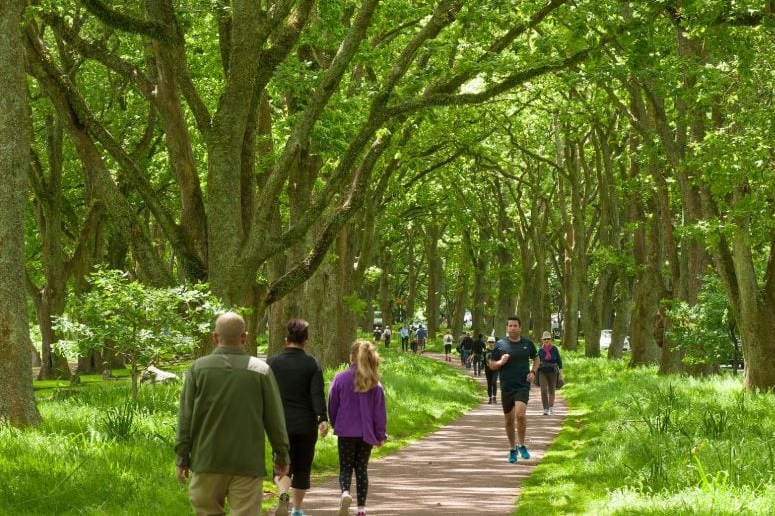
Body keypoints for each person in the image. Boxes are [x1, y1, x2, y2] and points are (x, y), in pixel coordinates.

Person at [175, 312, 290, 516]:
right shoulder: (261, 371)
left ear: (215, 337)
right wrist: (281, 454)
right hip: (247, 462)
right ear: (244, 337)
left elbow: (186, 418)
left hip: (206, 460)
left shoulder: (197, 369)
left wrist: (182, 456)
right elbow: (275, 419)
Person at [266, 319, 329, 516]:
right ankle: (297, 509)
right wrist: (322, 418)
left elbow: (266, 394)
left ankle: (283, 493)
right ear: (306, 341)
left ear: (286, 339)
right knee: (302, 467)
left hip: (280, 425)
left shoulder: (272, 363)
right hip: (305, 424)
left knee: (282, 464)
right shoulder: (312, 363)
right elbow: (316, 393)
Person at [328, 340, 387, 516]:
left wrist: (334, 422)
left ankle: (345, 492)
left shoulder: (340, 378)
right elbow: (379, 412)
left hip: (346, 430)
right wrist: (380, 434)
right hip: (365, 433)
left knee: (345, 468)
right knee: (361, 469)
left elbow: (332, 404)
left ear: (351, 357)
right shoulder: (374, 383)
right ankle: (361, 510)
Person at [489, 315, 539, 464]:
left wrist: (533, 372)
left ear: (520, 327)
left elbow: (536, 358)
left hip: (522, 385)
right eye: (510, 326)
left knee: (520, 414)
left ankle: (522, 445)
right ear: (506, 328)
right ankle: (512, 449)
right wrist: (500, 362)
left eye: (515, 326)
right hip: (507, 387)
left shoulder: (528, 344)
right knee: (509, 420)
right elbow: (491, 364)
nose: (512, 328)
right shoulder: (500, 345)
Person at [536, 331, 563, 415]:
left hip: (553, 372)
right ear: (542, 340)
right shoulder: (540, 350)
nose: (546, 340)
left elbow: (559, 361)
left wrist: (561, 373)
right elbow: (536, 361)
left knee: (552, 390)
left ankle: (551, 407)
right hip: (542, 372)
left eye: (548, 339)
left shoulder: (554, 349)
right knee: (543, 390)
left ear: (550, 340)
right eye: (544, 339)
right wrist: (534, 372)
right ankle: (545, 408)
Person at [484, 335, 499, 404]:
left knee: (494, 382)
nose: (491, 343)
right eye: (490, 342)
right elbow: (483, 360)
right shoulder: (485, 350)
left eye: (492, 342)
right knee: (489, 384)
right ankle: (490, 398)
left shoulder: (497, 350)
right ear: (487, 342)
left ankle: (494, 397)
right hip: (487, 369)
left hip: (495, 369)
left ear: (494, 343)